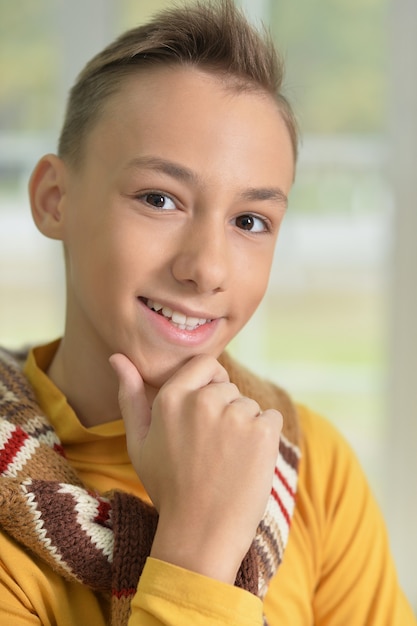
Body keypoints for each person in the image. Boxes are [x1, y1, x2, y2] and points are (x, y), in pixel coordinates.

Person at [0, 1, 414, 624]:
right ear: (55, 200)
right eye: (160, 198)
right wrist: (196, 548)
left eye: (250, 221)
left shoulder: (314, 467)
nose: (207, 268)